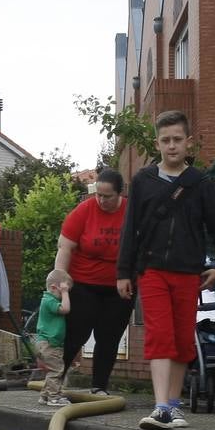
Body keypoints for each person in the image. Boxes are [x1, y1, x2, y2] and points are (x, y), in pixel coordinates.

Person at [116, 110, 215, 430]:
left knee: (182, 339)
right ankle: (160, 406)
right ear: (157, 143)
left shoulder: (201, 184)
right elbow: (131, 228)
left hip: (188, 272)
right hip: (151, 269)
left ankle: (174, 406)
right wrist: (124, 272)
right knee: (160, 334)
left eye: (177, 140)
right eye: (165, 140)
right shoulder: (143, 181)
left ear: (188, 142)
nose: (171, 146)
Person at [56, 168, 132, 396]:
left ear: (119, 194)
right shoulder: (84, 211)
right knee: (75, 334)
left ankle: (99, 386)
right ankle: (55, 382)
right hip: (83, 284)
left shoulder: (131, 213)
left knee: (109, 337)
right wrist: (60, 278)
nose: (101, 200)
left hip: (119, 287)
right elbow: (65, 248)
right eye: (97, 194)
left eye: (107, 196)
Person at [35, 268, 73, 407]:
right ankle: (54, 398)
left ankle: (44, 396)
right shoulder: (48, 300)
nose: (64, 295)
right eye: (61, 291)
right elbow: (65, 309)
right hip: (49, 343)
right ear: (53, 287)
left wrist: (62, 291)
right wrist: (65, 292)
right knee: (56, 370)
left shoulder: (48, 299)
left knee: (52, 371)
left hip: (46, 343)